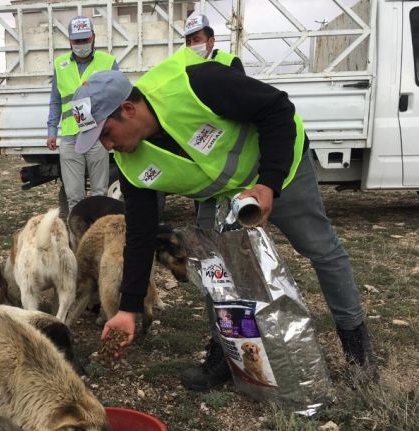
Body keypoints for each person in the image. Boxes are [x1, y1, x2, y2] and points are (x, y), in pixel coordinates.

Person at [69, 49, 376, 391]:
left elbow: (277, 109)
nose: (109, 146)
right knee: (215, 269)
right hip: (222, 195)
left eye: (107, 133)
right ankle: (225, 356)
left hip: (276, 169)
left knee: (321, 249)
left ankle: (357, 353)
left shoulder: (194, 84)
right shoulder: (132, 166)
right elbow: (140, 236)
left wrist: (269, 182)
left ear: (128, 109)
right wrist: (128, 309)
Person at [47, 16, 118, 212]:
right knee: (74, 198)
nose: (81, 45)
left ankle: (98, 237)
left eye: (85, 40)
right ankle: (76, 241)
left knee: (100, 194)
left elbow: (117, 98)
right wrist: (52, 130)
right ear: (70, 40)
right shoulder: (60, 65)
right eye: (77, 41)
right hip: (70, 138)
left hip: (98, 136)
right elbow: (55, 101)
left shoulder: (108, 62)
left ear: (93, 37)